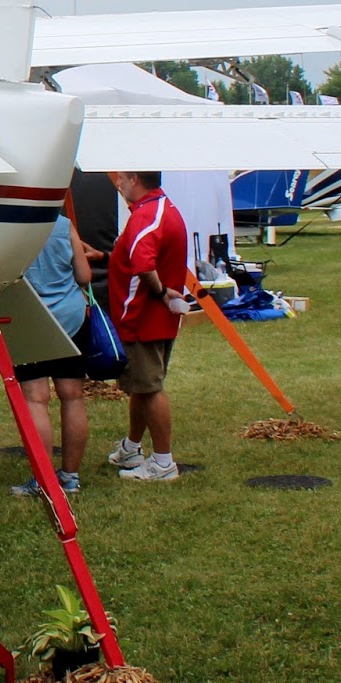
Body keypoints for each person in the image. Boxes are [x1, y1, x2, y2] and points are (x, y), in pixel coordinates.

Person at [105, 171, 192, 483]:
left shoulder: (147, 215)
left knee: (151, 387)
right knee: (142, 387)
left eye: (121, 179)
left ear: (134, 179)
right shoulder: (161, 208)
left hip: (142, 316)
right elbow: (134, 258)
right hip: (154, 317)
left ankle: (163, 462)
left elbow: (143, 265)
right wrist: (107, 256)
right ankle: (131, 447)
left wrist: (158, 292)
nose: (117, 184)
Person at [9, 210, 92, 498]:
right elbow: (84, 275)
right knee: (72, 396)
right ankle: (70, 477)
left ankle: (43, 481)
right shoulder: (65, 225)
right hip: (72, 315)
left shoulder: (14, 223)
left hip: (31, 317)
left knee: (36, 398)